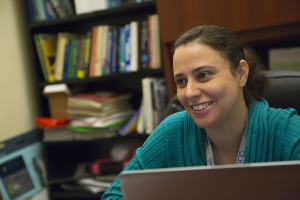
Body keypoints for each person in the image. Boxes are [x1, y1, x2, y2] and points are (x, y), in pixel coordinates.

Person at [101, 25, 300, 199]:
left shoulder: (286, 131)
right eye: (181, 81)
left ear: (241, 73)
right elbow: (114, 196)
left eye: (204, 75)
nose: (190, 93)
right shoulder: (173, 132)